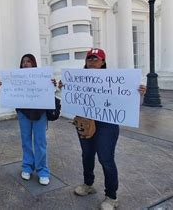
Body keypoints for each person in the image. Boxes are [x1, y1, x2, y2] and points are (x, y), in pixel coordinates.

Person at [60, 48, 146, 210]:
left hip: (107, 125)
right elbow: (71, 96)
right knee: (87, 155)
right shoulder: (77, 79)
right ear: (85, 62)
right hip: (85, 122)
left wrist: (139, 93)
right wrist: (64, 86)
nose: (92, 62)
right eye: (89, 59)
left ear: (103, 62)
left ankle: (111, 196)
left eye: (96, 59)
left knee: (106, 159)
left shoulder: (114, 80)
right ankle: (88, 184)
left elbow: (129, 103)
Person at [16, 54, 58, 185]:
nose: (25, 64)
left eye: (28, 61)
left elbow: (49, 93)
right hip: (24, 112)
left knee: (40, 142)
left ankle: (42, 170)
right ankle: (27, 167)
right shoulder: (17, 78)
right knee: (26, 140)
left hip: (39, 113)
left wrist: (52, 85)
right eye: (23, 62)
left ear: (33, 63)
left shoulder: (42, 78)